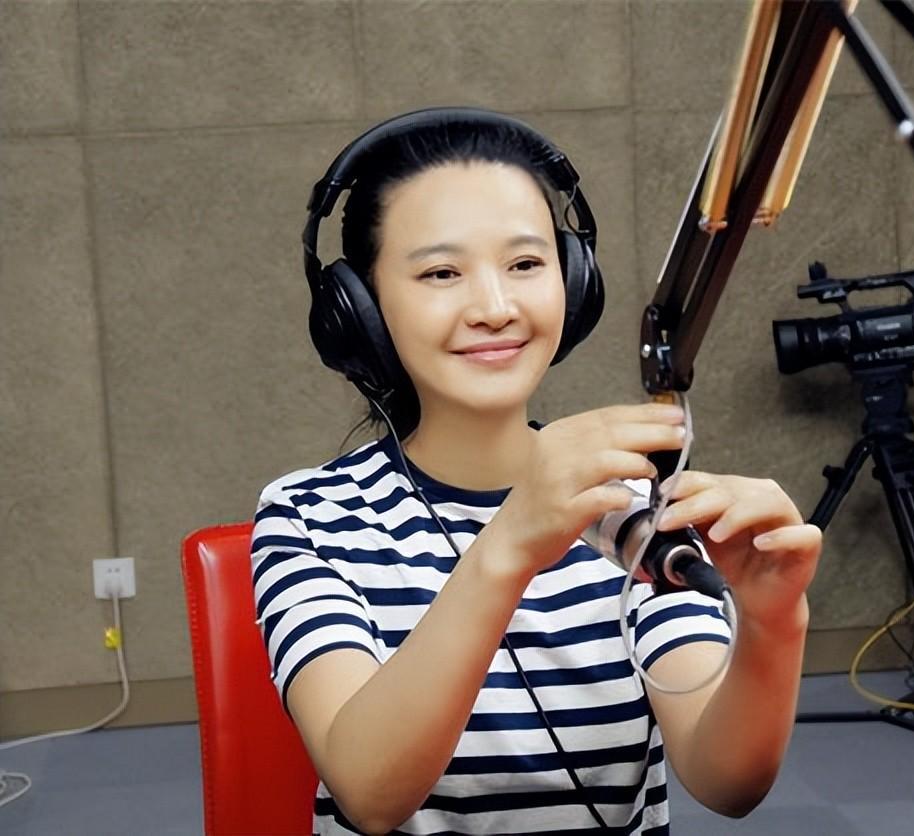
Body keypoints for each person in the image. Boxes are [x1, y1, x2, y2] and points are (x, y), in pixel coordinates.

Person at [251, 108, 822, 836]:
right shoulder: (308, 516)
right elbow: (369, 792)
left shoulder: (633, 511)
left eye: (525, 264)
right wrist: (511, 543)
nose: (495, 308)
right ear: (360, 308)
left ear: (572, 281)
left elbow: (727, 782)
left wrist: (774, 622)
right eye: (441, 273)